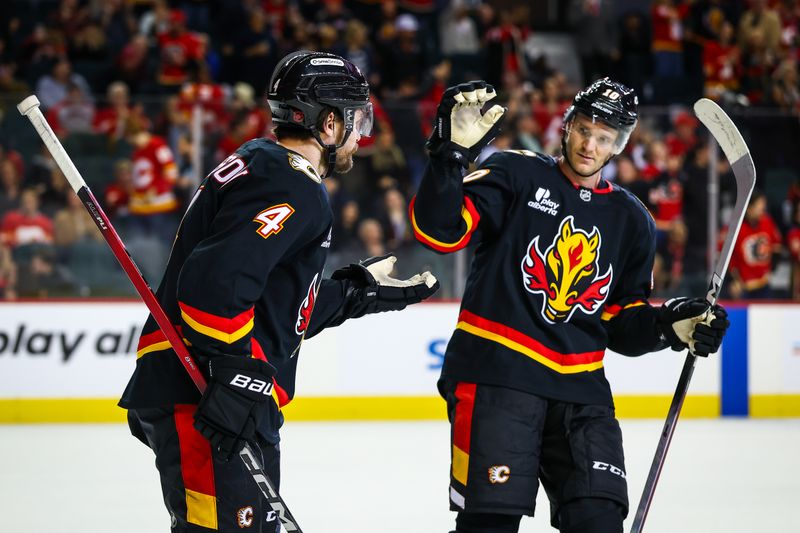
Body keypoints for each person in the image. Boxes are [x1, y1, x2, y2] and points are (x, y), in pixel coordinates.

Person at [118, 51, 439, 533]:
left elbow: (271, 304)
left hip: (209, 387)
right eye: (357, 120)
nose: (362, 135)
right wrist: (234, 377)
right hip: (206, 391)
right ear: (328, 122)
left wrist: (357, 292)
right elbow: (214, 283)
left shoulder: (261, 163)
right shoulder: (292, 184)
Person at [410, 78, 730, 533]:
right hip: (499, 376)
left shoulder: (632, 220)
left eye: (604, 137)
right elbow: (440, 232)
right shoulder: (516, 172)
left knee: (598, 521)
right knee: (489, 525)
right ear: (566, 126)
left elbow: (621, 322)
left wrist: (670, 324)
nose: (589, 145)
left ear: (619, 145)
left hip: (582, 393)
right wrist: (448, 157)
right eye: (584, 129)